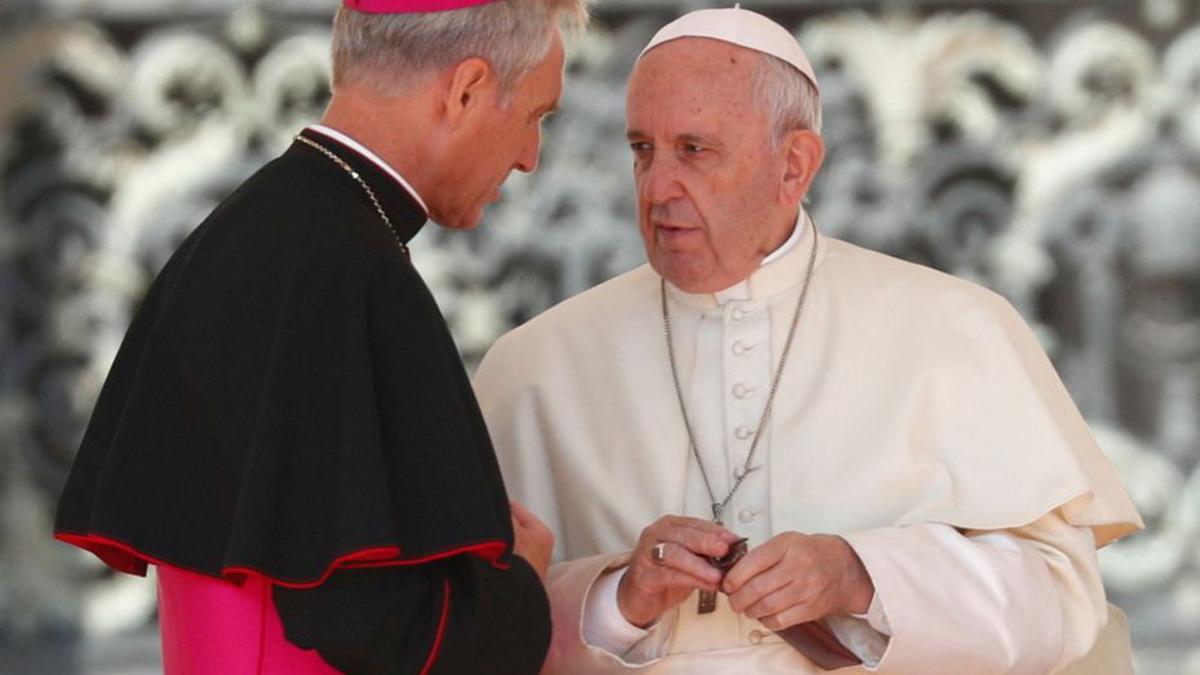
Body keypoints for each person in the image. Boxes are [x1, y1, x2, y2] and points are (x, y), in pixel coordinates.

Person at [473, 7, 1142, 674]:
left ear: (794, 165)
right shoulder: (536, 365)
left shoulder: (955, 327)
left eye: (695, 150)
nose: (658, 188)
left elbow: (1062, 603)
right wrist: (620, 597)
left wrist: (860, 575)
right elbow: (465, 625)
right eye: (643, 150)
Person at [54, 0, 587, 672]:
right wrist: (518, 589)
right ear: (467, 90)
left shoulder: (257, 226)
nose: (531, 157)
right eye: (537, 115)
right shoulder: (349, 268)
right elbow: (374, 623)